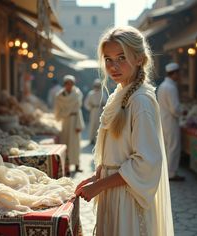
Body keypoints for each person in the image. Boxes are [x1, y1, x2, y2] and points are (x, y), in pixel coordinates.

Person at [75, 26, 174, 236]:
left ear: (139, 58)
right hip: (115, 193)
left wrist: (101, 185)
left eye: (121, 57)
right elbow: (118, 153)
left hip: (128, 199)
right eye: (108, 59)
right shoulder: (120, 95)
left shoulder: (140, 101)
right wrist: (97, 178)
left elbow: (146, 162)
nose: (113, 66)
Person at [157, 62, 185, 181]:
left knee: (167, 146)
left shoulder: (163, 86)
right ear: (174, 74)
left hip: (163, 119)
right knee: (173, 147)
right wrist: (182, 112)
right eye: (178, 73)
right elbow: (175, 109)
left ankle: (167, 171)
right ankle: (171, 173)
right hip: (171, 121)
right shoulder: (171, 87)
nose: (179, 76)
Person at [55, 75, 85, 173]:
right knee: (65, 143)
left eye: (71, 83)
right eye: (67, 83)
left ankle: (77, 165)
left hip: (75, 120)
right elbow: (58, 109)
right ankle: (66, 167)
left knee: (75, 144)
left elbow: (78, 110)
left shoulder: (77, 94)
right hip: (66, 121)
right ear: (64, 84)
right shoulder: (60, 96)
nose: (69, 85)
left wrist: (79, 124)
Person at [84, 79, 107, 145]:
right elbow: (86, 103)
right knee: (92, 125)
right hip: (93, 111)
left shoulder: (103, 93)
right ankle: (91, 139)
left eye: (98, 86)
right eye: (96, 85)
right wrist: (90, 108)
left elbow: (105, 103)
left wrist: (103, 107)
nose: (97, 87)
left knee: (99, 125)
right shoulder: (91, 93)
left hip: (100, 111)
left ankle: (98, 139)